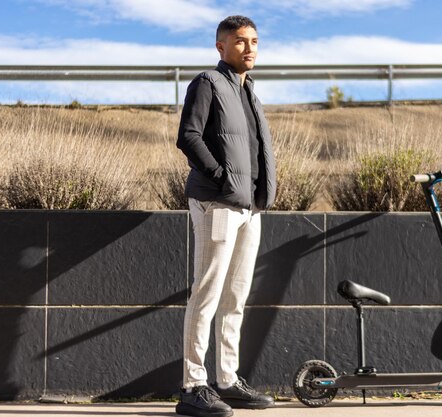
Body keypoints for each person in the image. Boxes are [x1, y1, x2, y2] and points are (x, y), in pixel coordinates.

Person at [174, 15, 277, 417]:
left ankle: (227, 381)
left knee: (236, 297)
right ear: (221, 47)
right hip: (217, 203)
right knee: (208, 293)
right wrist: (219, 177)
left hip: (250, 207)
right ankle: (193, 386)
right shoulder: (208, 83)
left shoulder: (249, 92)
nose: (249, 48)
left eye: (254, 41)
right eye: (240, 41)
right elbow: (188, 136)